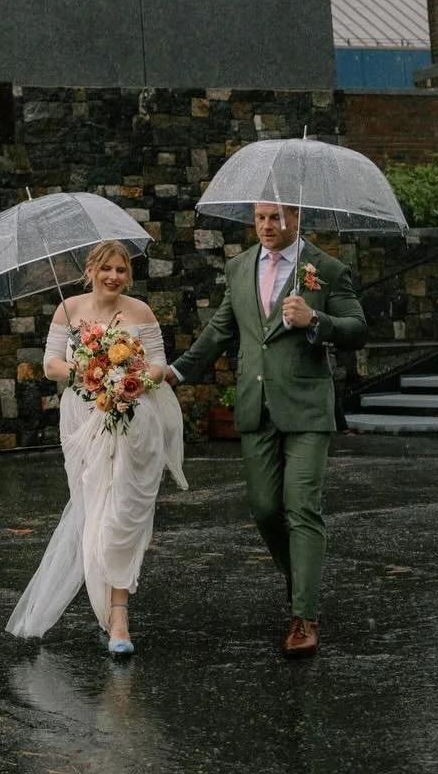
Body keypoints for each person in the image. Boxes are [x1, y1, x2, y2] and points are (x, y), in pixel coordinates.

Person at [166, 201, 367, 658]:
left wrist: (315, 319)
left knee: (301, 505)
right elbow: (220, 330)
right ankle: (302, 582)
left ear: (296, 217)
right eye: (259, 218)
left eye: (276, 217)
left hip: (308, 409)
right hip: (257, 407)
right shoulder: (238, 268)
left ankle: (304, 617)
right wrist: (175, 373)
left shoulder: (327, 269)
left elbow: (357, 328)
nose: (267, 226)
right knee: (263, 509)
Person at [6, 240, 186, 655]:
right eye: (105, 268)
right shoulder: (67, 310)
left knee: (123, 514)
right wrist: (93, 368)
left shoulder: (141, 312)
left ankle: (119, 616)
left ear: (129, 275)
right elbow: (51, 365)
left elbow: (160, 365)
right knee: (94, 512)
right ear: (90, 270)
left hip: (134, 422)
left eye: (121, 270)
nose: (113, 277)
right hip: (83, 420)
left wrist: (134, 374)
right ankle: (107, 606)